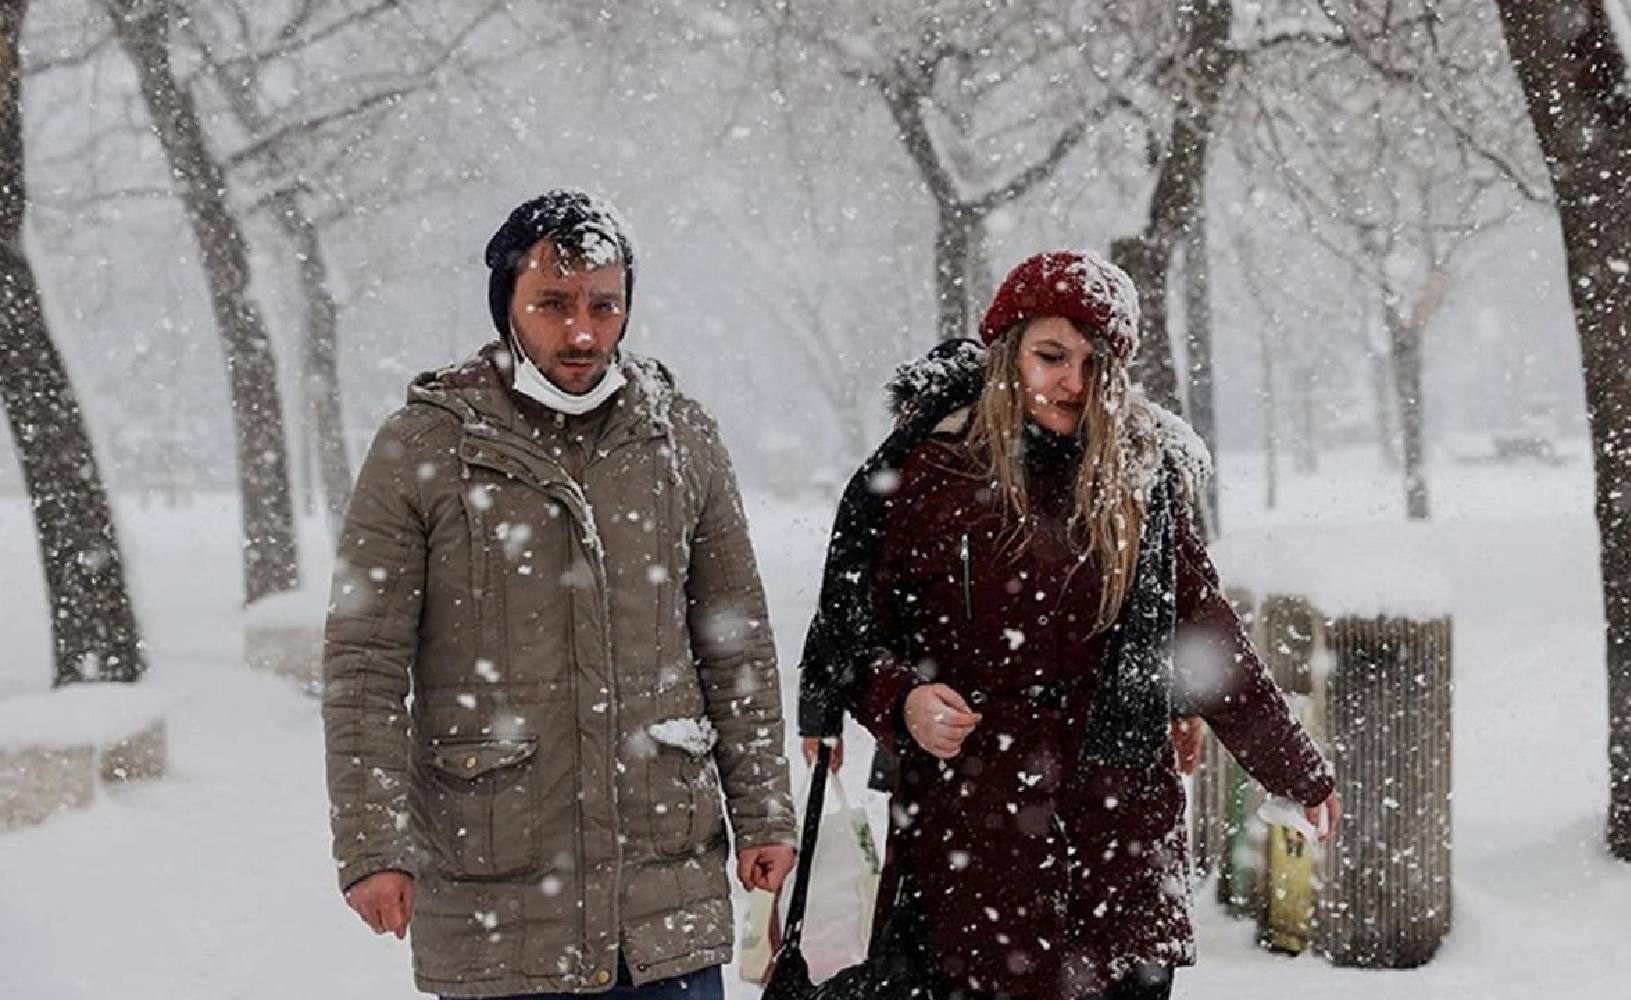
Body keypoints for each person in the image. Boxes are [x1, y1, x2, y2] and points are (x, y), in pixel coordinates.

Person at [797, 251, 1341, 1000]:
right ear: (1007, 351)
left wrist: (1293, 767)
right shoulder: (932, 477)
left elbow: (1205, 632)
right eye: (1051, 356)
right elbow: (853, 640)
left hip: (1119, 850)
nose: (1073, 385)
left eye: (1095, 364)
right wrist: (904, 701)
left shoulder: (1145, 479)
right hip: (974, 848)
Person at [321, 189, 796, 999]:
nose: (582, 332)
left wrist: (765, 812)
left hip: (662, 893)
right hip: (496, 885)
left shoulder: (680, 438)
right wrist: (374, 846)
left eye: (603, 306)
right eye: (553, 305)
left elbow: (734, 639)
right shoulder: (425, 447)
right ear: (507, 303)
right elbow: (364, 663)